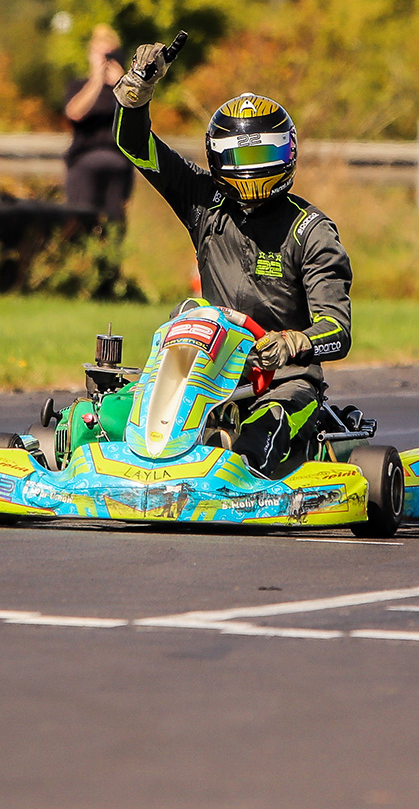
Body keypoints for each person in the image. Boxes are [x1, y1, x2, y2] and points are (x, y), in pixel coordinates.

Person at [111, 42, 353, 477]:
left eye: (264, 158)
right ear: (218, 159)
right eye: (239, 158)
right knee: (104, 417)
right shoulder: (204, 201)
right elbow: (133, 143)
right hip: (202, 372)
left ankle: (237, 463)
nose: (253, 171)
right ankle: (132, 458)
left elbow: (337, 330)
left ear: (288, 155)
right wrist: (139, 87)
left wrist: (294, 343)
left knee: (253, 447)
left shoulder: (311, 231)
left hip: (279, 380)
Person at [62, 25, 133, 219]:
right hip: (84, 160)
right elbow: (74, 113)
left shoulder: (125, 90)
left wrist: (123, 85)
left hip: (118, 161)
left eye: (110, 55)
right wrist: (96, 80)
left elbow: (137, 120)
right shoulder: (79, 86)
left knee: (114, 224)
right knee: (79, 219)